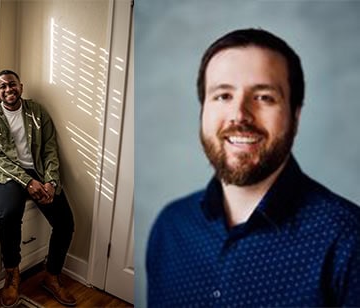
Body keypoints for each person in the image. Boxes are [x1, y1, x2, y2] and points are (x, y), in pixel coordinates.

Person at [147, 28, 360, 306]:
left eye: (263, 97)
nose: (239, 115)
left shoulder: (349, 241)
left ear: (295, 115)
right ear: (203, 110)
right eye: (223, 96)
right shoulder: (170, 227)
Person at [0, 69, 77, 307]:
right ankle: (12, 274)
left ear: (21, 87)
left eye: (12, 84)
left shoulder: (37, 112)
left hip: (39, 172)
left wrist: (51, 182)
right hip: (7, 176)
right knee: (10, 215)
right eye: (2, 86)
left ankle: (52, 276)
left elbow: (50, 149)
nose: (8, 89)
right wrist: (27, 182)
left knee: (66, 222)